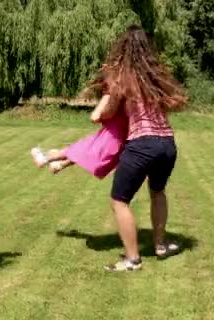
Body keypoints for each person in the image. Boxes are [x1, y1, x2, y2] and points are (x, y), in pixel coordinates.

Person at [85, 25, 189, 271]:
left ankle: (132, 259)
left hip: (142, 144)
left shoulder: (123, 77)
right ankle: (160, 245)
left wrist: (107, 109)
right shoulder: (157, 75)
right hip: (167, 144)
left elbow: (104, 113)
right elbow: (175, 103)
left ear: (123, 48)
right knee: (158, 192)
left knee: (119, 201)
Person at [30, 97, 128, 179]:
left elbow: (95, 117)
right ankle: (58, 165)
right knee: (80, 150)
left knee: (77, 150)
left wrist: (103, 110)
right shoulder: (131, 101)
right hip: (121, 140)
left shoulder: (116, 96)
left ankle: (44, 158)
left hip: (111, 137)